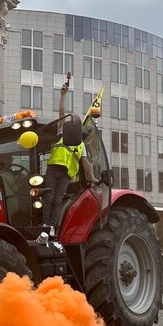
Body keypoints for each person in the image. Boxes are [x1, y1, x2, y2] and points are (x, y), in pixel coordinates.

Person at [42, 83, 98, 236]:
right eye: (71, 122)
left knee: (57, 200)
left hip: (66, 175)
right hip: (53, 169)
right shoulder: (61, 131)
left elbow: (85, 162)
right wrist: (62, 95)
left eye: (75, 123)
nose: (72, 124)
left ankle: (52, 226)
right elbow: (61, 113)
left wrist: (92, 177)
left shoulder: (81, 145)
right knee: (49, 197)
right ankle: (45, 225)